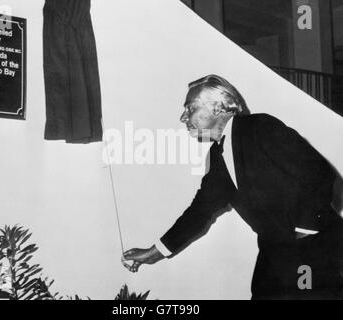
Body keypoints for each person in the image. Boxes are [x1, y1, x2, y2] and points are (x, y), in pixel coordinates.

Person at [122, 75, 343, 299]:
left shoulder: (260, 127)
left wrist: (304, 232)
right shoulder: (217, 157)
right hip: (274, 252)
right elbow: (200, 211)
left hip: (315, 251)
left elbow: (318, 173)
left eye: (190, 108)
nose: (183, 117)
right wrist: (154, 252)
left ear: (219, 107)